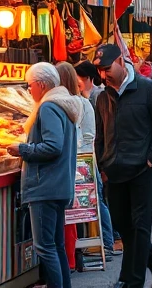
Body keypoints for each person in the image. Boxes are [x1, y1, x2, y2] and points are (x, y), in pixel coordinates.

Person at [92, 44, 152, 288]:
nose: (103, 75)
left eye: (107, 68)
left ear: (120, 61)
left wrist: (151, 158)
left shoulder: (147, 89)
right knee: (122, 225)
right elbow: (100, 135)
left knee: (139, 227)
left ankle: (132, 281)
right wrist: (102, 165)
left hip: (141, 170)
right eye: (99, 70)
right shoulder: (102, 96)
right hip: (114, 170)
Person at [7, 63, 83, 288]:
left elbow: (52, 146)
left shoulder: (49, 107)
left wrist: (22, 149)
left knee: (45, 247)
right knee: (56, 245)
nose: (29, 90)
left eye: (30, 85)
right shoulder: (63, 104)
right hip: (59, 185)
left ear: (40, 84)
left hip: (45, 186)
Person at [73, 62, 119, 258]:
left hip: (93, 157)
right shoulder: (88, 97)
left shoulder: (97, 97)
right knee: (99, 199)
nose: (79, 84)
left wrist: (102, 161)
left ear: (89, 79)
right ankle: (109, 239)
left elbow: (99, 133)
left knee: (98, 200)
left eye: (81, 80)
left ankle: (108, 241)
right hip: (93, 156)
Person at [57, 62, 98, 271]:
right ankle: (70, 260)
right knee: (68, 217)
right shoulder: (78, 103)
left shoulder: (77, 104)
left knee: (68, 217)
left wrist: (81, 156)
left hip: (74, 166)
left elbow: (89, 135)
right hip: (74, 163)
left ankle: (70, 260)